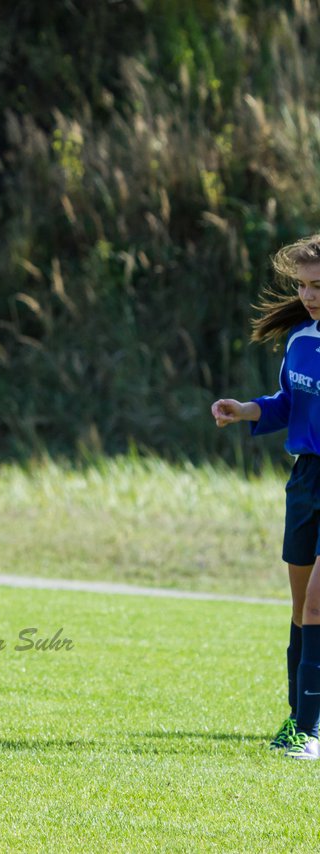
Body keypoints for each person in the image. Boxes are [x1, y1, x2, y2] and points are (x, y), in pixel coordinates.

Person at [212, 233, 320, 761]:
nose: (308, 295)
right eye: (302, 285)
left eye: (317, 285)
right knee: (301, 609)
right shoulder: (301, 340)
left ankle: (312, 733)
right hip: (305, 482)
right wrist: (247, 409)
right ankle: (299, 723)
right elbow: (286, 405)